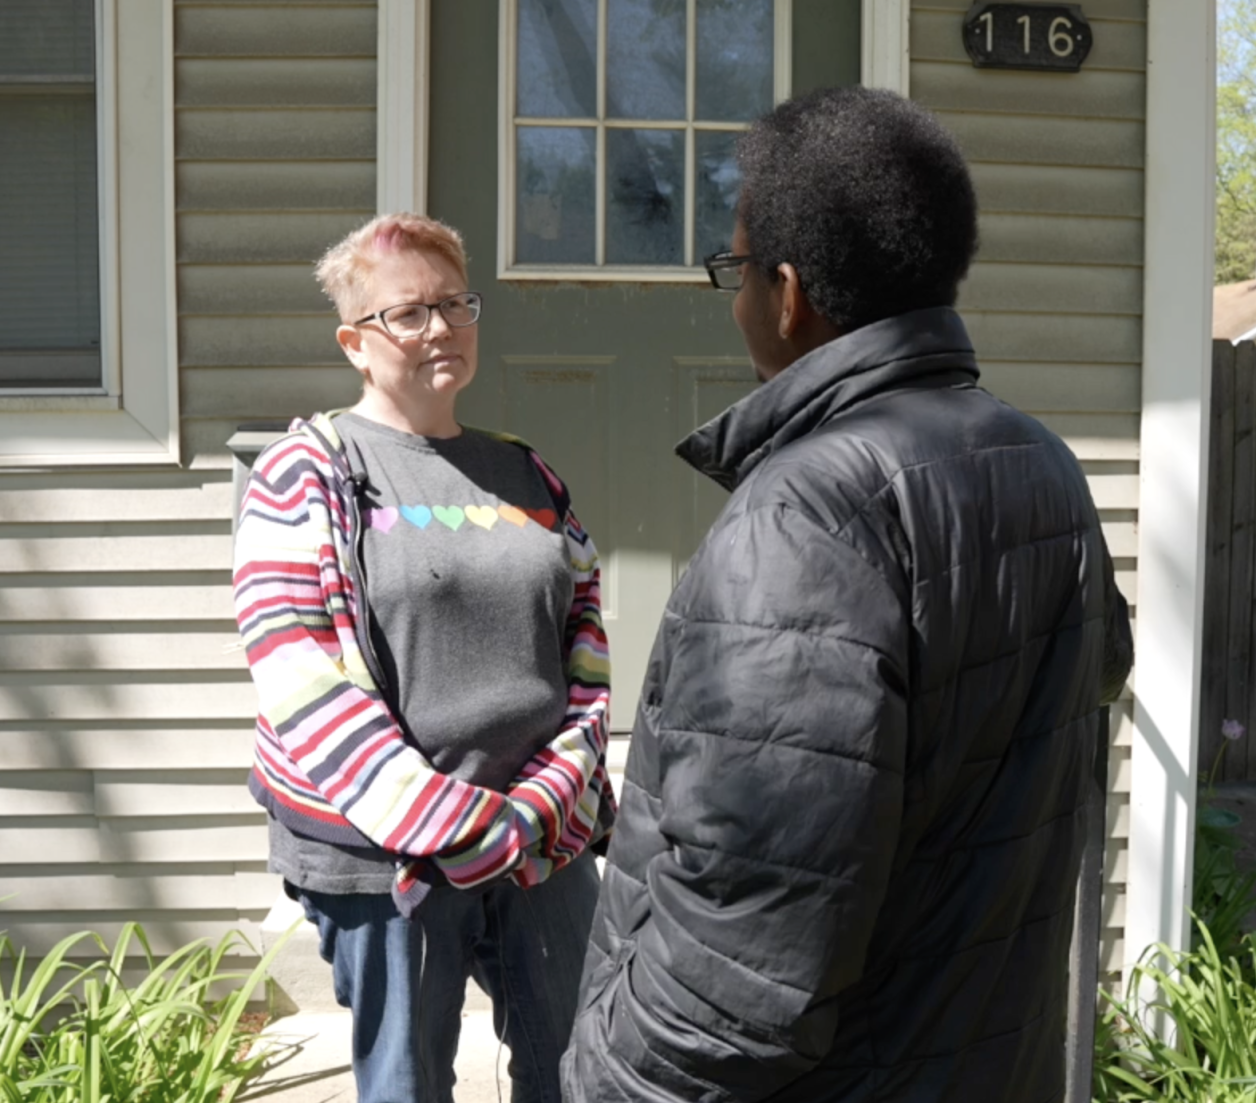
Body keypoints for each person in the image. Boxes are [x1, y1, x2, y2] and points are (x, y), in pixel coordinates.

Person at [561, 86, 1133, 1103]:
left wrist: (603, 1075)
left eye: (734, 271)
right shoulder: (1038, 460)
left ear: (788, 293)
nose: (734, 299)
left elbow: (738, 963)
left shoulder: (803, 517)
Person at [233, 212, 615, 1103]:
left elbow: (587, 647)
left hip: (542, 839)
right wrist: (455, 823)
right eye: (408, 313)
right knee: (409, 1086)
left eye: (455, 304)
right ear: (355, 343)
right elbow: (301, 674)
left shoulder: (528, 474)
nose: (440, 327)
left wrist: (546, 802)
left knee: (582, 1068)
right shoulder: (308, 472)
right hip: (387, 854)